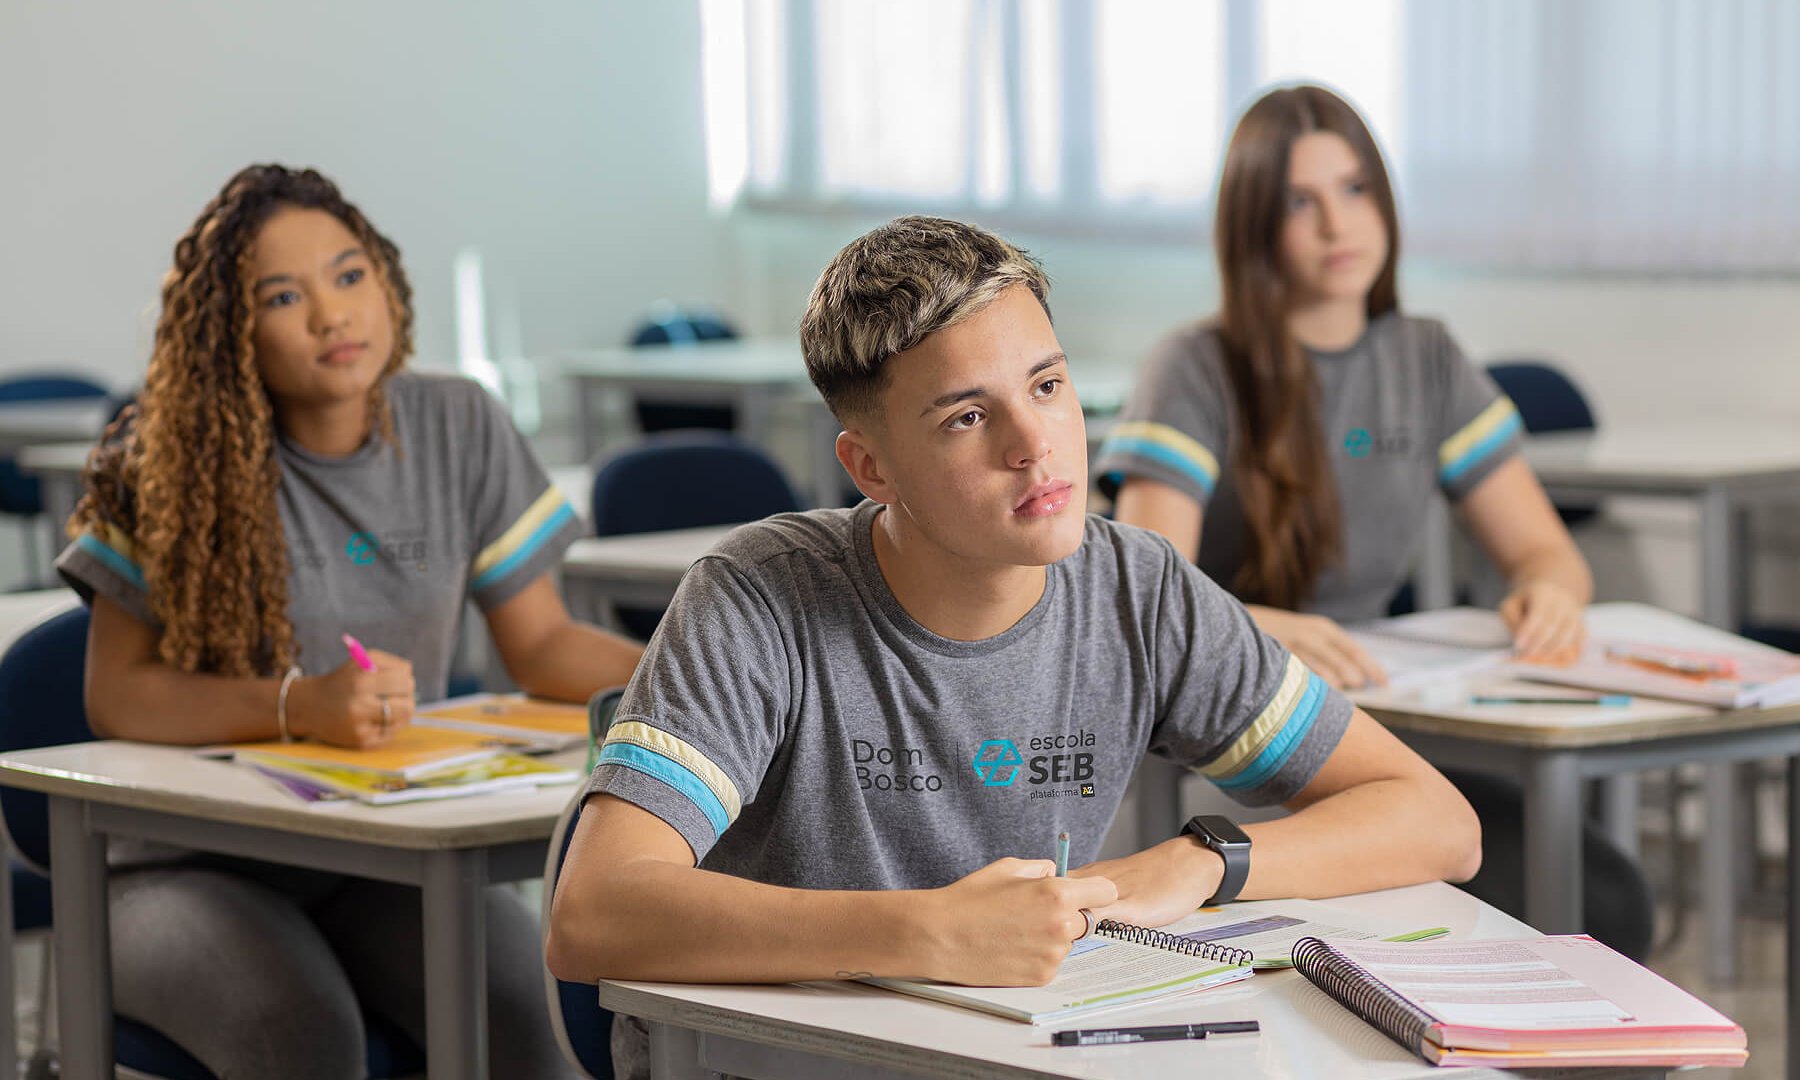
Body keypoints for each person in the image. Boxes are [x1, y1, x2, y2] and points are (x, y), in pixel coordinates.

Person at [546, 214, 1483, 1078]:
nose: (1036, 444)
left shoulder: (1139, 590)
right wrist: (927, 932)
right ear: (871, 467)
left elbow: (1437, 821)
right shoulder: (760, 596)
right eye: (966, 415)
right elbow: (594, 912)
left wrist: (1196, 863)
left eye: (1047, 385)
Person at [56, 163, 643, 1079]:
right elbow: (115, 696)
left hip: (380, 855)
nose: (333, 316)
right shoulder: (168, 457)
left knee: (535, 1018)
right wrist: (299, 706)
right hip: (181, 867)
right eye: (283, 296)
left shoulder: (458, 423)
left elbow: (541, 644)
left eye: (349, 274)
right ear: (229, 330)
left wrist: (689, 684)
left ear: (386, 278)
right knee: (299, 1037)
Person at [1097, 84, 1650, 958]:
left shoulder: (1426, 356)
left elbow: (1545, 548)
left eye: (1355, 190)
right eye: (1299, 202)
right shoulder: (1195, 366)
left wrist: (1550, 591)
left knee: (1602, 895)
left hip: (1382, 730)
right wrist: (1261, 634)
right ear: (1253, 227)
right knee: (1543, 895)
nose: (1336, 225)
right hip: (1239, 745)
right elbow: (1154, 582)